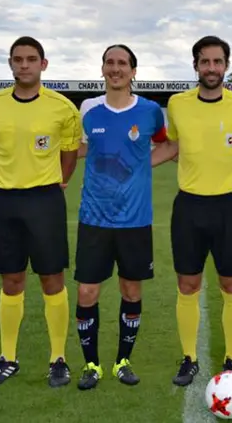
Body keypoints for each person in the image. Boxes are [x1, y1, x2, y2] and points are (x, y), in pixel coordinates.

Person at [0, 36, 82, 388]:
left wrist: (52, 183)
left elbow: (69, 155)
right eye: (18, 59)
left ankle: (58, 359)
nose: (24, 65)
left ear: (43, 64)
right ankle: (8, 358)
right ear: (10, 63)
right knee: (12, 281)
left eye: (31, 59)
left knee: (52, 280)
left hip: (45, 201)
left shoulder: (63, 108)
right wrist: (10, 179)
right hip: (4, 202)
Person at [151, 35, 232, 387]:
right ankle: (189, 358)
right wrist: (133, 168)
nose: (211, 68)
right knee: (188, 284)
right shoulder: (177, 104)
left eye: (218, 61)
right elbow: (174, 146)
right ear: (195, 65)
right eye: (205, 61)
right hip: (189, 207)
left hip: (228, 207)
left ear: (226, 65)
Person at [73, 44, 168, 390]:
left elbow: (168, 145)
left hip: (135, 220)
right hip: (94, 219)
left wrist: (143, 166)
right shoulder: (88, 109)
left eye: (122, 64)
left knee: (131, 289)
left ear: (133, 71)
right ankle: (92, 366)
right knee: (87, 292)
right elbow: (81, 148)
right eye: (110, 63)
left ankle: (123, 362)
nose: (116, 69)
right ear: (102, 69)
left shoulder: (150, 111)